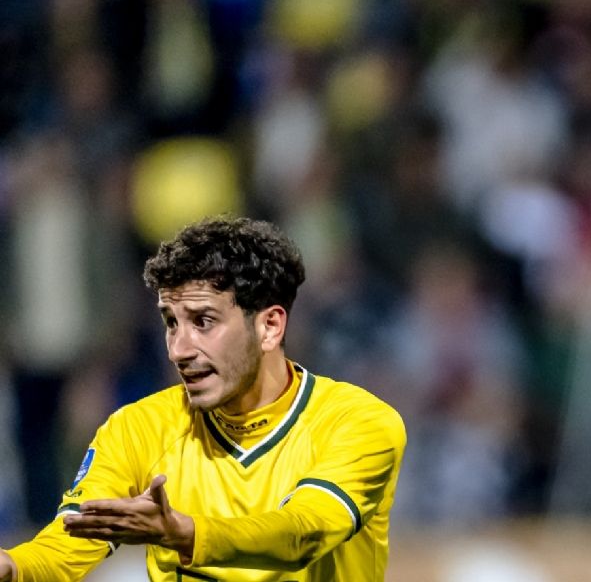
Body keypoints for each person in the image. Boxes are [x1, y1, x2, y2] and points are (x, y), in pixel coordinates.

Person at [0, 216, 406, 581]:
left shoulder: (360, 423)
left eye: (203, 321)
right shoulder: (137, 430)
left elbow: (302, 533)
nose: (179, 349)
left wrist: (187, 533)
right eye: (171, 323)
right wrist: (13, 567)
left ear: (269, 326)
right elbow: (64, 548)